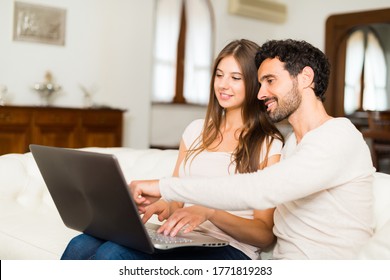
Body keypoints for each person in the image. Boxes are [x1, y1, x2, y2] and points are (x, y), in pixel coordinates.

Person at [131, 39, 375, 260]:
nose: (260, 93)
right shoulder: (293, 144)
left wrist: (165, 187)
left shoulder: (339, 136)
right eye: (259, 83)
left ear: (305, 78)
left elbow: (260, 188)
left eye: (270, 81)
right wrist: (170, 203)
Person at [61, 39, 284, 260]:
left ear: (255, 84)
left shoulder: (268, 143)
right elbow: (177, 201)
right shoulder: (195, 130)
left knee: (113, 254)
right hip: (185, 237)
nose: (223, 85)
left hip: (231, 249)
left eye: (235, 78)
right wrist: (159, 206)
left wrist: (210, 212)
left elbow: (264, 234)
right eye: (219, 75)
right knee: (80, 244)